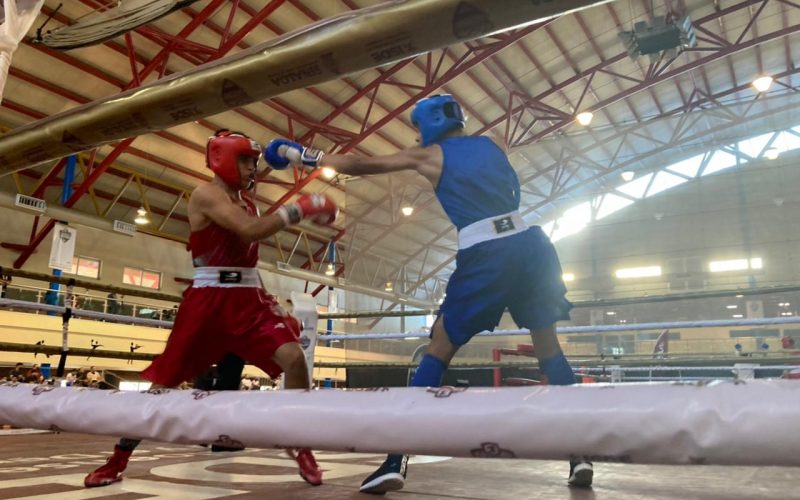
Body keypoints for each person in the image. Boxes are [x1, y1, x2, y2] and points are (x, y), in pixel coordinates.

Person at [266, 95, 593, 493]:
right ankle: (581, 455)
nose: (417, 136)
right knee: (548, 347)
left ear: (433, 121)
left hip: (487, 253)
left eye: (419, 128)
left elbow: (361, 165)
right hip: (531, 245)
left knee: (438, 346)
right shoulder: (493, 143)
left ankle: (395, 459)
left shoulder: (431, 156)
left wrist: (301, 155)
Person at [84, 130, 338, 488]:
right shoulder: (206, 195)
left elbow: (246, 259)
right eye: (245, 160)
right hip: (207, 300)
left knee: (295, 360)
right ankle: (118, 459)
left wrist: (268, 300)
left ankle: (300, 443)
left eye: (253, 161)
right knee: (163, 386)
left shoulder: (248, 202)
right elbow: (249, 232)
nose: (252, 168)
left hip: (248, 298)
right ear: (224, 160)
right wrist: (301, 208)